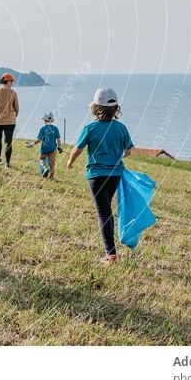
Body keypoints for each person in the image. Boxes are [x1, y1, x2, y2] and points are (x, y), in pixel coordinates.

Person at [66, 88, 134, 264]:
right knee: (107, 209)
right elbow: (128, 151)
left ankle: (110, 255)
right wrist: (116, 155)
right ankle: (110, 252)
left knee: (103, 213)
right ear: (115, 108)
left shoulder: (90, 128)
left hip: (96, 175)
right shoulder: (121, 128)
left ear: (96, 108)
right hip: (115, 174)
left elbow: (77, 149)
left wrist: (70, 163)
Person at [25, 112, 63, 178]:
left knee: (41, 159)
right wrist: (59, 146)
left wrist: (33, 143)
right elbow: (58, 139)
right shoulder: (55, 128)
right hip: (53, 148)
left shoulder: (42, 129)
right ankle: (51, 176)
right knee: (52, 163)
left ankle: (45, 168)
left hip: (44, 148)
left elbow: (39, 140)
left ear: (44, 120)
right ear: (52, 119)